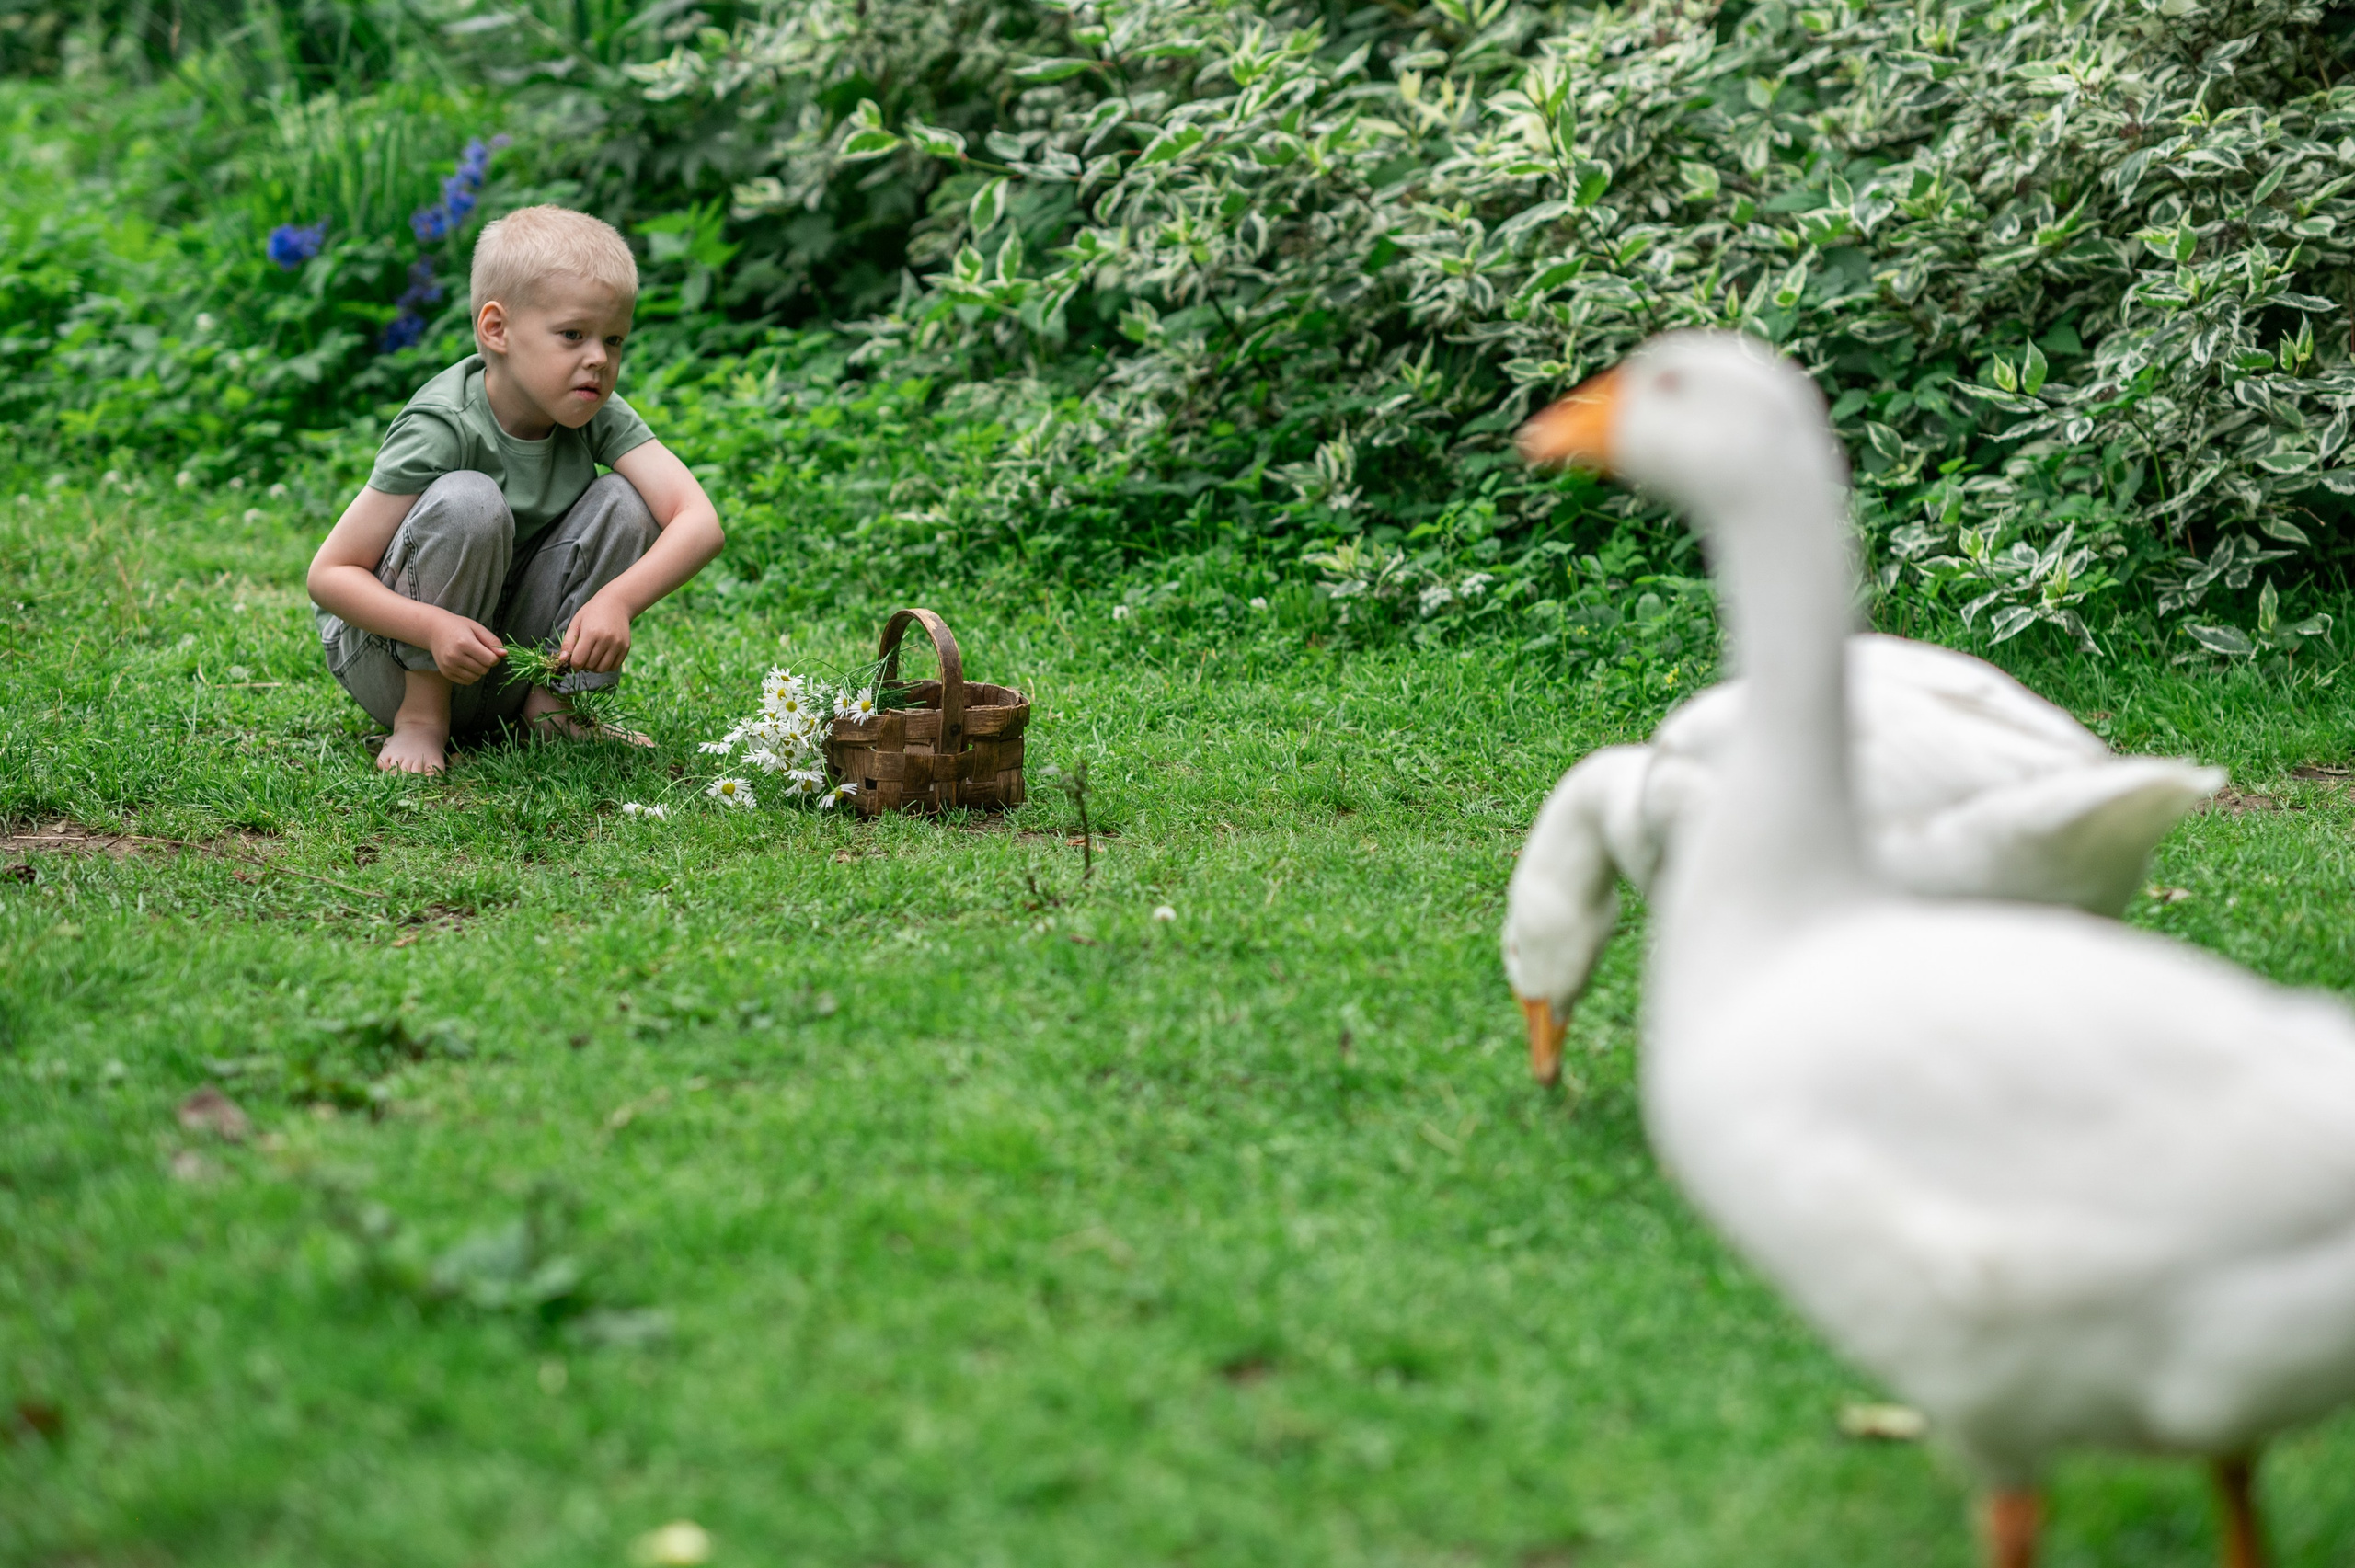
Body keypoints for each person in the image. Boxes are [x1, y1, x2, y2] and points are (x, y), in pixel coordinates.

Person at [306, 204, 725, 773]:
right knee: (469, 502)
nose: (598, 359)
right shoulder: (443, 424)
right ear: (496, 329)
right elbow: (330, 575)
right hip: (393, 660)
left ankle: (552, 712)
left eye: (614, 340)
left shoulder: (596, 411)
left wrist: (618, 600)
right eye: (573, 334)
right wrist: (433, 626)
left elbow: (698, 520)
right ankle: (423, 721)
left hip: (506, 661)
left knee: (629, 501)